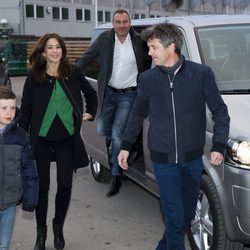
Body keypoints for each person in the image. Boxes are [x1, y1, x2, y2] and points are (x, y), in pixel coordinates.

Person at [118, 23, 230, 250]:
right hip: (163, 161)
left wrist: (218, 145)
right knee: (175, 216)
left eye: (153, 47)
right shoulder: (148, 79)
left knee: (184, 217)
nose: (149, 53)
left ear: (171, 46)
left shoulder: (201, 75)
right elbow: (137, 113)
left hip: (192, 161)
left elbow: (220, 111)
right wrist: (125, 146)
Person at [19, 33, 98, 250]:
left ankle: (58, 226)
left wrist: (90, 112)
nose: (55, 51)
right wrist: (21, 141)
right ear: (43, 52)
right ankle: (41, 232)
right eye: (50, 47)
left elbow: (91, 94)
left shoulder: (73, 73)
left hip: (66, 140)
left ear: (62, 49)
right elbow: (25, 110)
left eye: (58, 47)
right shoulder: (34, 76)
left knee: (65, 185)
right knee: (42, 187)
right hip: (41, 141)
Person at [76, 9, 151, 197]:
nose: (122, 25)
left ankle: (116, 175)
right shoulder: (104, 39)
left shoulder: (140, 41)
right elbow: (86, 58)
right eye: (118, 22)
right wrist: (70, 75)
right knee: (102, 129)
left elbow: (153, 59)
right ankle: (128, 146)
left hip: (129, 94)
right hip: (108, 92)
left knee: (118, 134)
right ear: (113, 23)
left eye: (125, 21)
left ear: (130, 23)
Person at [0, 86, 38, 250]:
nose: (9, 112)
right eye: (4, 108)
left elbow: (29, 169)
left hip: (9, 200)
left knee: (4, 243)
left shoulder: (21, 136)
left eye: (13, 108)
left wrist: (29, 200)